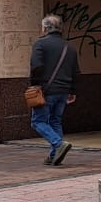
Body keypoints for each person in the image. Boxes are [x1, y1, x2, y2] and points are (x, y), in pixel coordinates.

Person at [29, 15, 80, 165]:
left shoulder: (40, 44)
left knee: (38, 121)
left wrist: (35, 85)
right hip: (63, 91)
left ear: (45, 28)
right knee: (55, 121)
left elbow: (36, 66)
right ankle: (53, 156)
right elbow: (76, 72)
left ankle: (58, 143)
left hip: (46, 90)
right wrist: (73, 91)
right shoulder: (70, 47)